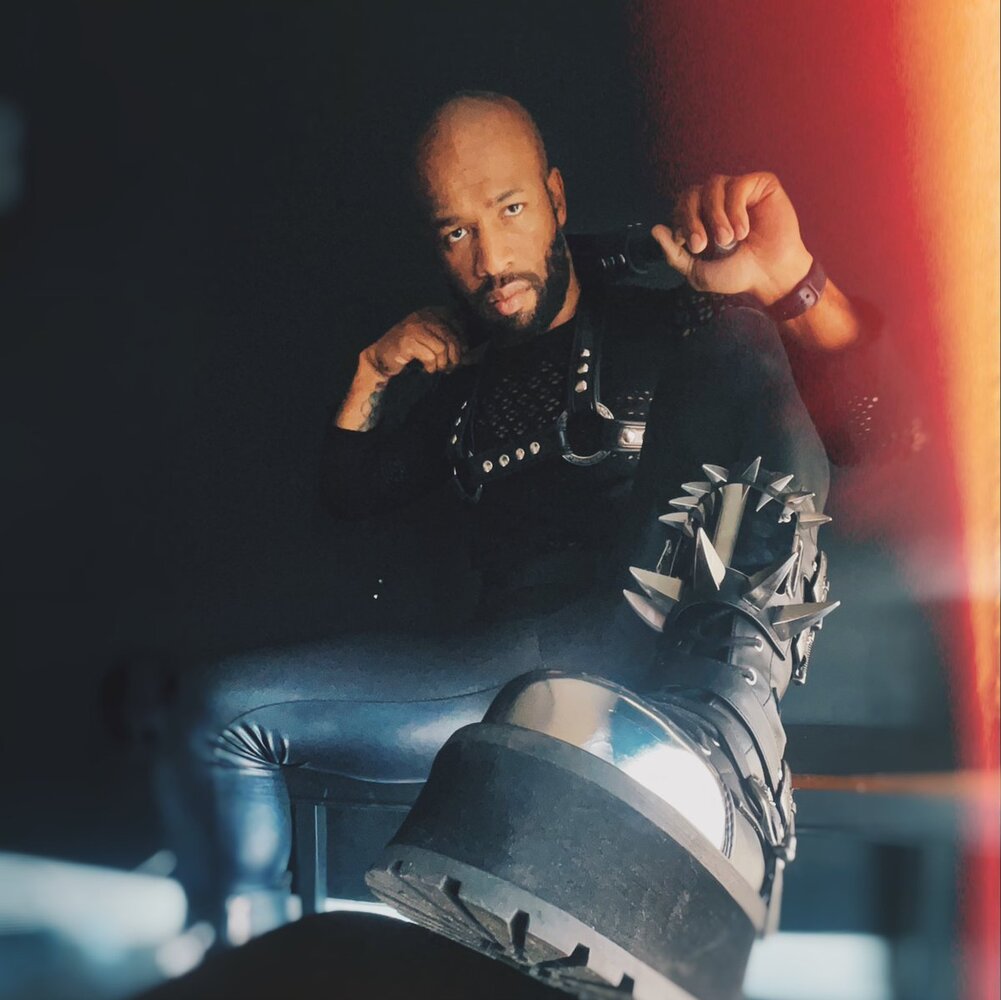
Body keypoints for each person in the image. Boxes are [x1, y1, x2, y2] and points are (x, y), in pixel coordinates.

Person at [157, 90, 886, 945]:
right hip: (507, 675)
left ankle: (721, 748)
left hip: (660, 667)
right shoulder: (462, 390)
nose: (491, 259)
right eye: (455, 232)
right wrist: (371, 375)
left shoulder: (674, 315)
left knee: (739, 328)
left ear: (555, 199)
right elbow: (351, 491)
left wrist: (791, 282)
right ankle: (241, 968)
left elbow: (869, 432)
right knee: (219, 711)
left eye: (508, 210)